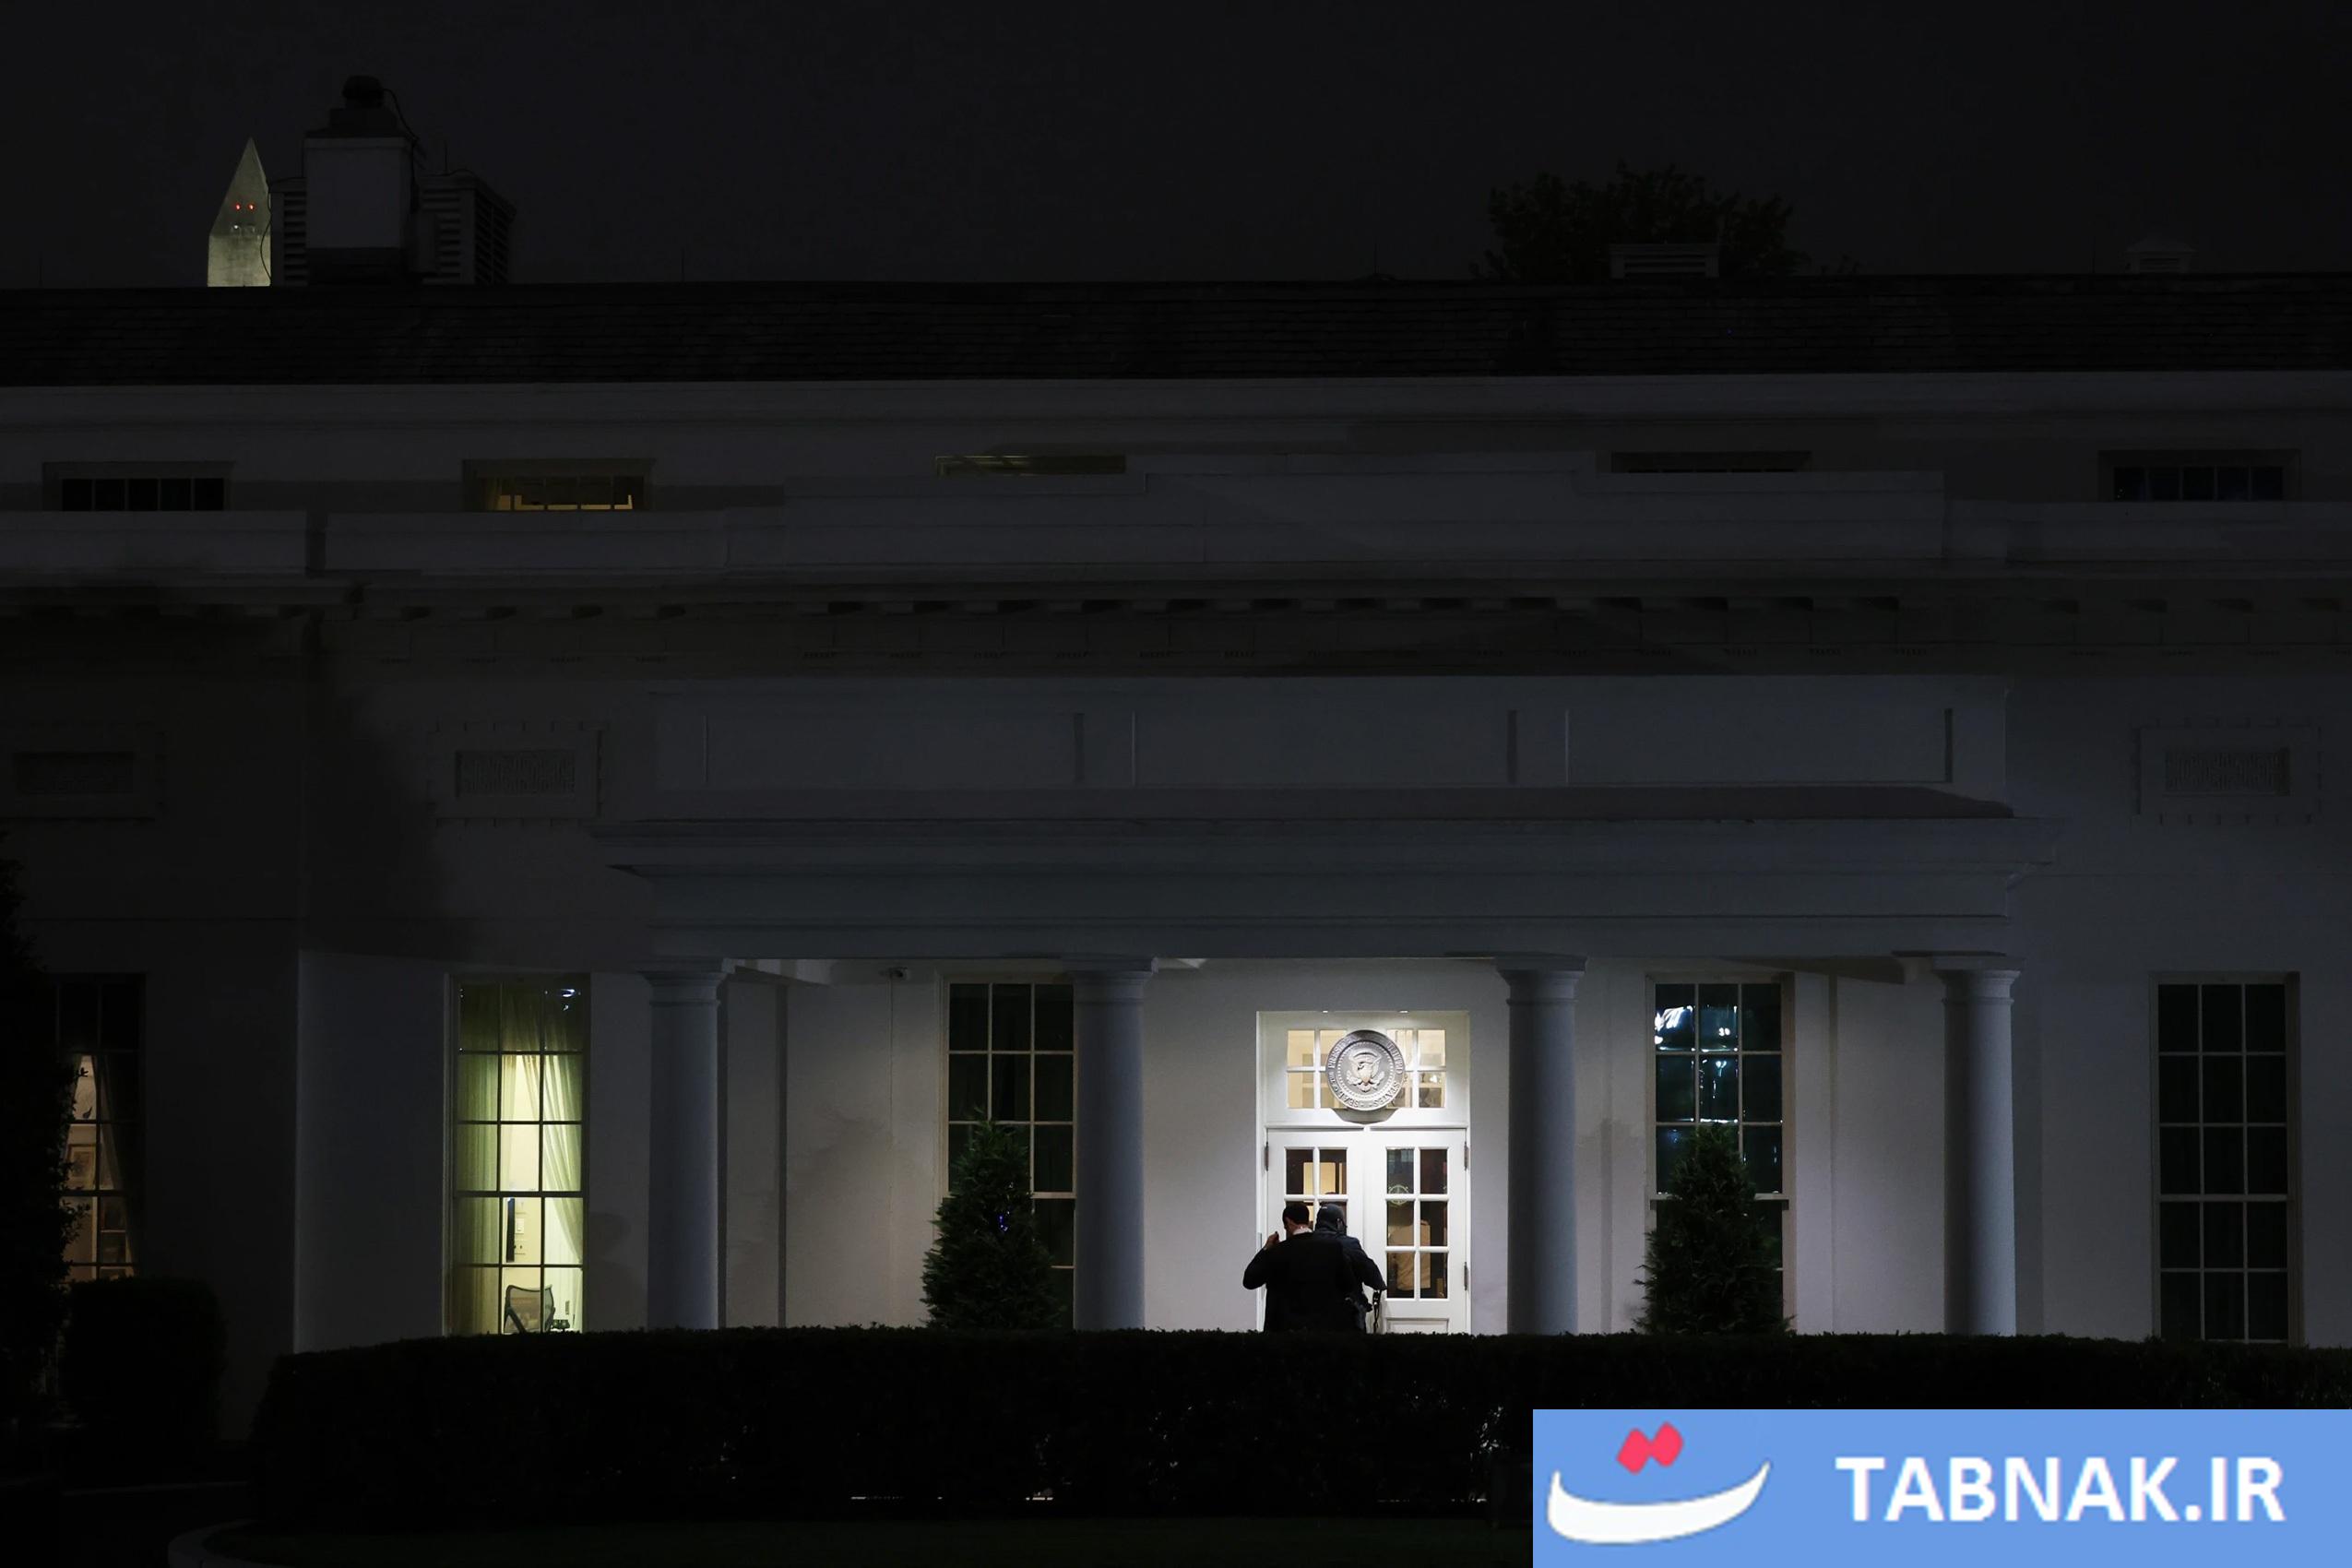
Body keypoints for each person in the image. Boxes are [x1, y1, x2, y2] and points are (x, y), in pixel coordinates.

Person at [1242, 1200, 1358, 1332]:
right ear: (1307, 1220)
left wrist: (1266, 1249)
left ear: (1288, 1222)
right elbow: (1349, 1284)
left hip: (1285, 1330)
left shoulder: (1278, 1252)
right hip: (1324, 1328)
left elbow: (1249, 1280)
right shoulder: (1333, 1248)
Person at [1315, 1202, 1386, 1330]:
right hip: (1345, 1311)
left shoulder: (1307, 1242)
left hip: (1313, 1312)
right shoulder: (1348, 1243)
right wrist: (1379, 1284)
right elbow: (1369, 1272)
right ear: (1339, 1223)